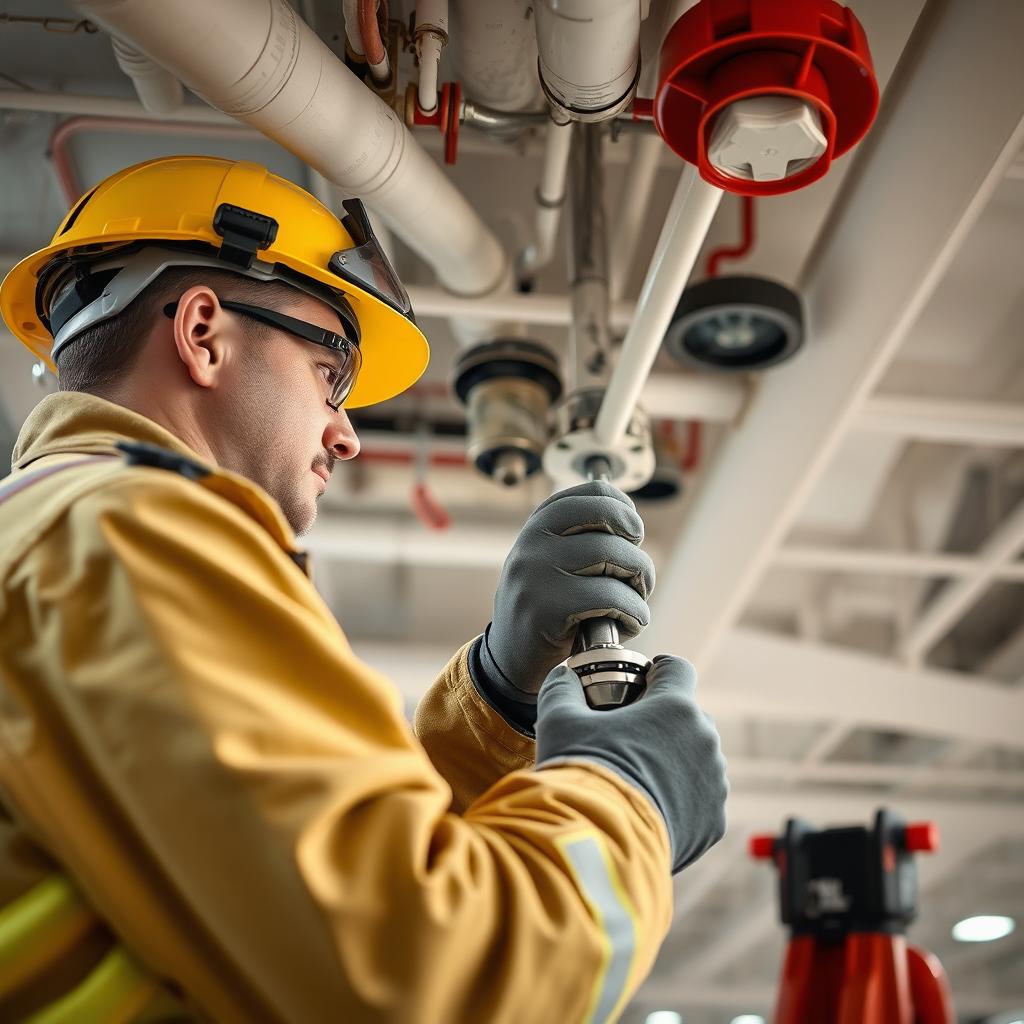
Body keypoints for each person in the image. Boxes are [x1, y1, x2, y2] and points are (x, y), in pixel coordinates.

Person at [0, 156, 728, 1023]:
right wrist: (626, 791)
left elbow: (300, 869)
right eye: (329, 375)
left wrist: (494, 701)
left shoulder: (62, 535)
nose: (345, 436)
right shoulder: (132, 531)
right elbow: (420, 977)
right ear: (202, 332)